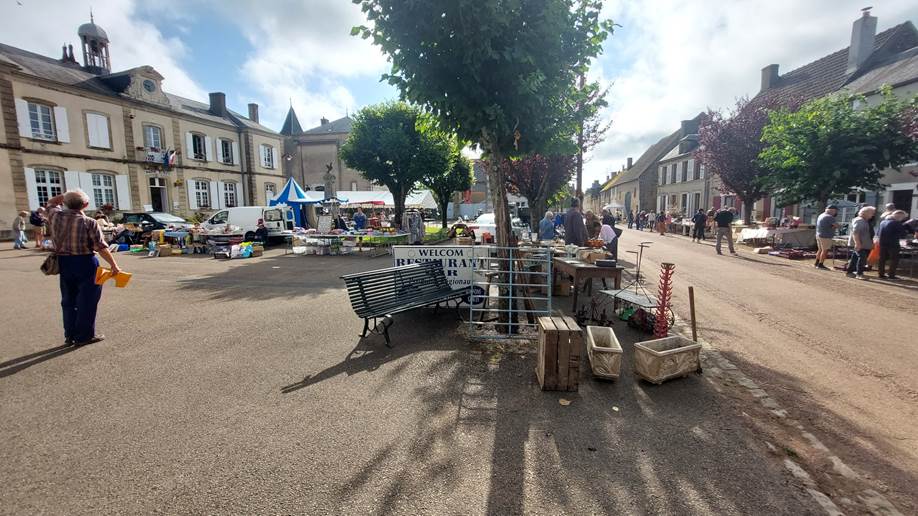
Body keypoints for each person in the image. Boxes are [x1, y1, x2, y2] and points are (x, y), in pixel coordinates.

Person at [47, 190, 121, 346]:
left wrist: (66, 195)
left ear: (65, 203)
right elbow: (101, 247)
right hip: (85, 262)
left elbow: (51, 203)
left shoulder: (55, 216)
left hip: (64, 262)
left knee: (68, 300)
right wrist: (114, 265)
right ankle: (84, 336)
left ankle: (70, 334)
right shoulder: (89, 222)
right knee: (87, 301)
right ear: (86, 205)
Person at [845, 205, 876, 280]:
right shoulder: (860, 221)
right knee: (862, 258)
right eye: (872, 213)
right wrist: (858, 243)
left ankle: (849, 272)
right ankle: (859, 274)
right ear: (866, 213)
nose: (873, 215)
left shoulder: (864, 220)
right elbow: (855, 233)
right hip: (860, 244)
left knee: (855, 257)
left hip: (863, 243)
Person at [876, 210, 909, 279]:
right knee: (894, 259)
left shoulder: (882, 222)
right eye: (902, 217)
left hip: (882, 243)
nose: (902, 219)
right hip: (893, 244)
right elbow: (903, 235)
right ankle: (891, 275)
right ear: (899, 216)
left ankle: (881, 274)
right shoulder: (896, 223)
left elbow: (878, 233)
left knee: (882, 259)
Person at [814, 205, 839, 270]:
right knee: (825, 250)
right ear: (832, 210)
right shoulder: (830, 217)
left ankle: (816, 263)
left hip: (819, 234)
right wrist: (838, 226)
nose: (836, 213)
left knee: (820, 250)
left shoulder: (821, 215)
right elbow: (837, 225)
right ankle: (820, 264)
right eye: (835, 211)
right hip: (826, 236)